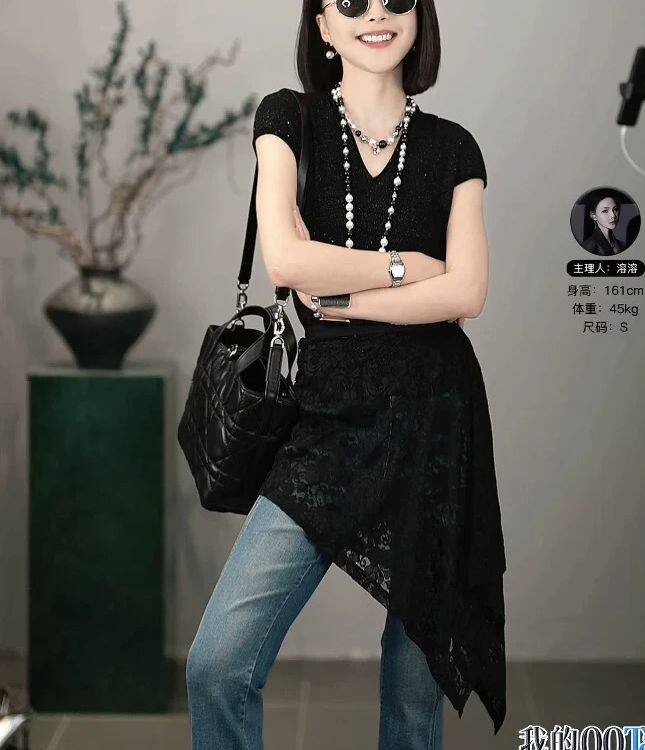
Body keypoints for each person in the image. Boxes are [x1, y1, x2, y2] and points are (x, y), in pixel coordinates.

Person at [186, 1, 508, 747]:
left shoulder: (454, 148)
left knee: (414, 699)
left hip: (436, 420)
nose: (376, 14)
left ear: (419, 18)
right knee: (218, 662)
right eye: (351, 2)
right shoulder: (288, 119)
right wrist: (409, 268)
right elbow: (286, 260)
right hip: (327, 417)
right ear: (323, 25)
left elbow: (466, 293)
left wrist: (343, 297)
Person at [581, 190, 626, 256]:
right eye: (605, 211)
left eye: (615, 209)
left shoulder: (622, 245)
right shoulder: (589, 246)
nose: (613, 215)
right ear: (594, 216)